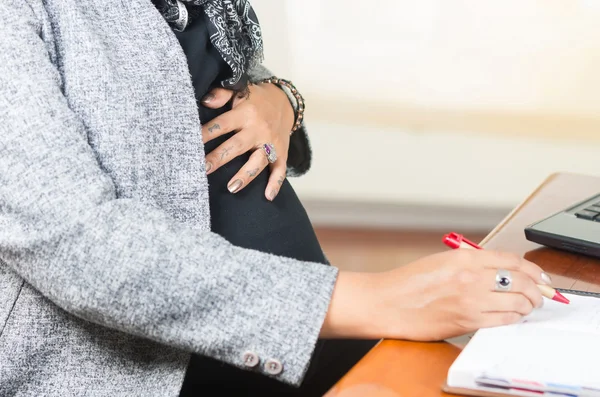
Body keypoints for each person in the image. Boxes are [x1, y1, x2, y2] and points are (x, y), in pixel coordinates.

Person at [0, 0, 551, 396]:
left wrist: (278, 99)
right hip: (136, 364)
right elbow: (76, 244)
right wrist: (373, 299)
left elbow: (197, 75)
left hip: (282, 323)